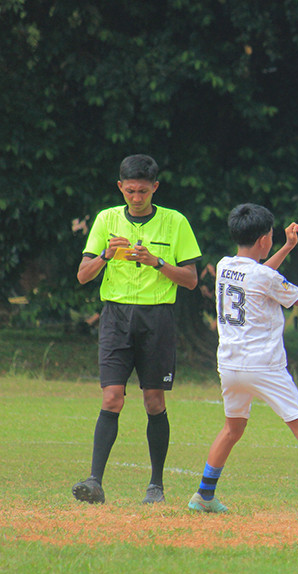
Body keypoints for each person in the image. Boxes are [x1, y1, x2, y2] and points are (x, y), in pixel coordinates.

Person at [187, 203, 298, 520]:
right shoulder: (263, 275)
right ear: (264, 239)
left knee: (232, 428)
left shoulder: (224, 265)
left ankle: (204, 495)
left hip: (230, 365)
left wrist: (287, 247)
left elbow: (261, 276)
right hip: (263, 365)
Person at [72, 154, 201, 504]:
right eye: (130, 191)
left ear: (155, 187)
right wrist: (105, 255)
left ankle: (156, 485)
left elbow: (191, 280)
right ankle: (94, 482)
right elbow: (83, 275)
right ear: (120, 187)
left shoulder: (175, 222)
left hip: (157, 318)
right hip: (115, 317)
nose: (136, 197)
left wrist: (157, 262)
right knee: (112, 397)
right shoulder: (106, 219)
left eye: (143, 191)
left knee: (153, 400)